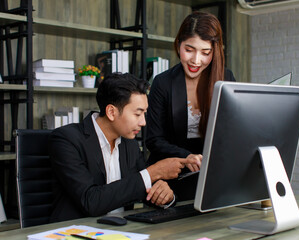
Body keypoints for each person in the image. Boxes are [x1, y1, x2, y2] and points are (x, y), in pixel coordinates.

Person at [48, 73, 198, 222]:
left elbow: (142, 187)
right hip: (74, 232)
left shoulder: (129, 142)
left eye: (144, 114)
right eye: (138, 114)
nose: (143, 122)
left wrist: (165, 196)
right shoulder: (66, 140)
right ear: (111, 112)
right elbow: (90, 201)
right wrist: (153, 172)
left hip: (122, 230)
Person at [146, 11, 236, 200]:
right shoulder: (163, 83)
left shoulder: (226, 78)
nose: (196, 60)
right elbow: (154, 139)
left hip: (212, 178)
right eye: (189, 49)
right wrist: (187, 156)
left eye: (205, 53)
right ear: (178, 43)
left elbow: (230, 132)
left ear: (215, 51)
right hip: (171, 181)